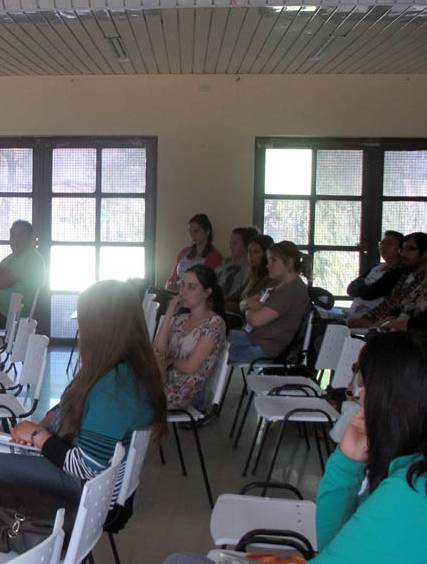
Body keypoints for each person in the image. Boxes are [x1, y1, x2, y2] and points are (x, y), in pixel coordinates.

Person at [0, 280, 167, 536]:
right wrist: (42, 427)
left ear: (103, 329)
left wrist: (38, 437)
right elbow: (68, 404)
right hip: (78, 472)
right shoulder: (117, 370)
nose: (80, 330)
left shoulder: (116, 390)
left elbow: (86, 468)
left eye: (84, 322)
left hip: (87, 490)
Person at [163, 331, 427, 563]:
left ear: (388, 398)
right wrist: (347, 462)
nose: (357, 393)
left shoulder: (409, 493)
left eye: (363, 382)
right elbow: (333, 544)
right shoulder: (408, 472)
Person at [153, 265, 227, 410]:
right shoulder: (181, 318)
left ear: (207, 293)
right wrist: (168, 315)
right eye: (182, 285)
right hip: (163, 381)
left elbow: (189, 367)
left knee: (126, 393)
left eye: (191, 287)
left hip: (182, 392)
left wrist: (167, 362)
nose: (182, 292)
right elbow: (157, 351)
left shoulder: (214, 323)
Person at [226, 241, 311, 364]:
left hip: (264, 348)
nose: (268, 265)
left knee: (209, 350)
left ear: (289, 263)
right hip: (254, 339)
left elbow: (256, 320)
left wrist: (248, 309)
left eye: (273, 260)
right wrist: (250, 306)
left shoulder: (292, 290)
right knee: (211, 337)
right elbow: (248, 303)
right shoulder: (279, 286)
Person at [348, 232, 427, 330]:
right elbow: (392, 301)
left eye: (409, 249)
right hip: (384, 322)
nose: (403, 254)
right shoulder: (405, 273)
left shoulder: (421, 279)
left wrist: (377, 321)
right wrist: (368, 318)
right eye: (403, 249)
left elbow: (371, 293)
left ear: (425, 254)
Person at [346, 230, 405, 316]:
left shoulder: (399, 271)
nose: (384, 246)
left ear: (401, 248)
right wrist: (365, 287)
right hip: (353, 312)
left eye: (389, 243)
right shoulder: (377, 266)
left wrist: (361, 285)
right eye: (382, 243)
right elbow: (350, 289)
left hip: (372, 317)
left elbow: (371, 294)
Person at [166, 214, 224, 291]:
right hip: (175, 293)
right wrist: (169, 285)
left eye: (196, 231)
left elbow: (209, 288)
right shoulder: (184, 252)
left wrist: (181, 289)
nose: (192, 235)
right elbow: (172, 278)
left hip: (194, 296)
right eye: (190, 232)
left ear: (207, 231)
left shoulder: (216, 257)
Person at [216, 226, 258, 311]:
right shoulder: (226, 262)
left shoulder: (251, 270)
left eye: (235, 244)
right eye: (230, 243)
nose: (230, 246)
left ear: (247, 246)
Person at [235, 234, 276, 315]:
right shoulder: (252, 274)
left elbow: (254, 305)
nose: (250, 255)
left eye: (256, 252)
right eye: (249, 251)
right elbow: (236, 295)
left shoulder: (270, 279)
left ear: (266, 255)